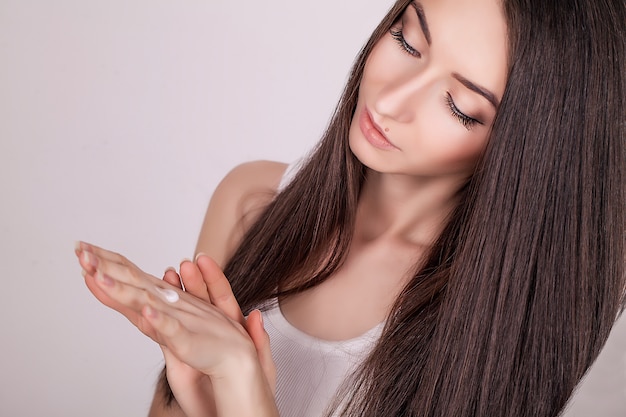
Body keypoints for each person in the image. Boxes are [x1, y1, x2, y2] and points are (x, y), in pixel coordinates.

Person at [75, 0, 625, 415]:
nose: (389, 100)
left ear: (530, 149)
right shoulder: (250, 202)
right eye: (407, 40)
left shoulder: (496, 328)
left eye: (459, 107)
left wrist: (244, 386)